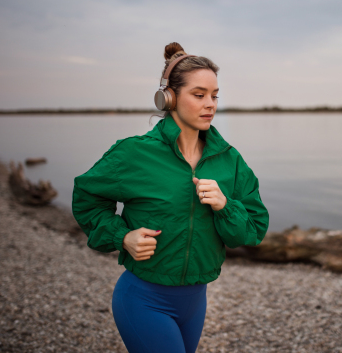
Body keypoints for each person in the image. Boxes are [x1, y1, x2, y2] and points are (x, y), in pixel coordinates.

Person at [71, 42, 269, 353]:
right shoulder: (133, 154)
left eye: (215, 95)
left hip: (195, 301)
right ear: (170, 98)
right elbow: (87, 196)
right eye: (199, 94)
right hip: (142, 299)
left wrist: (225, 206)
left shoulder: (230, 161)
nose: (210, 105)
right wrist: (122, 236)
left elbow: (252, 229)